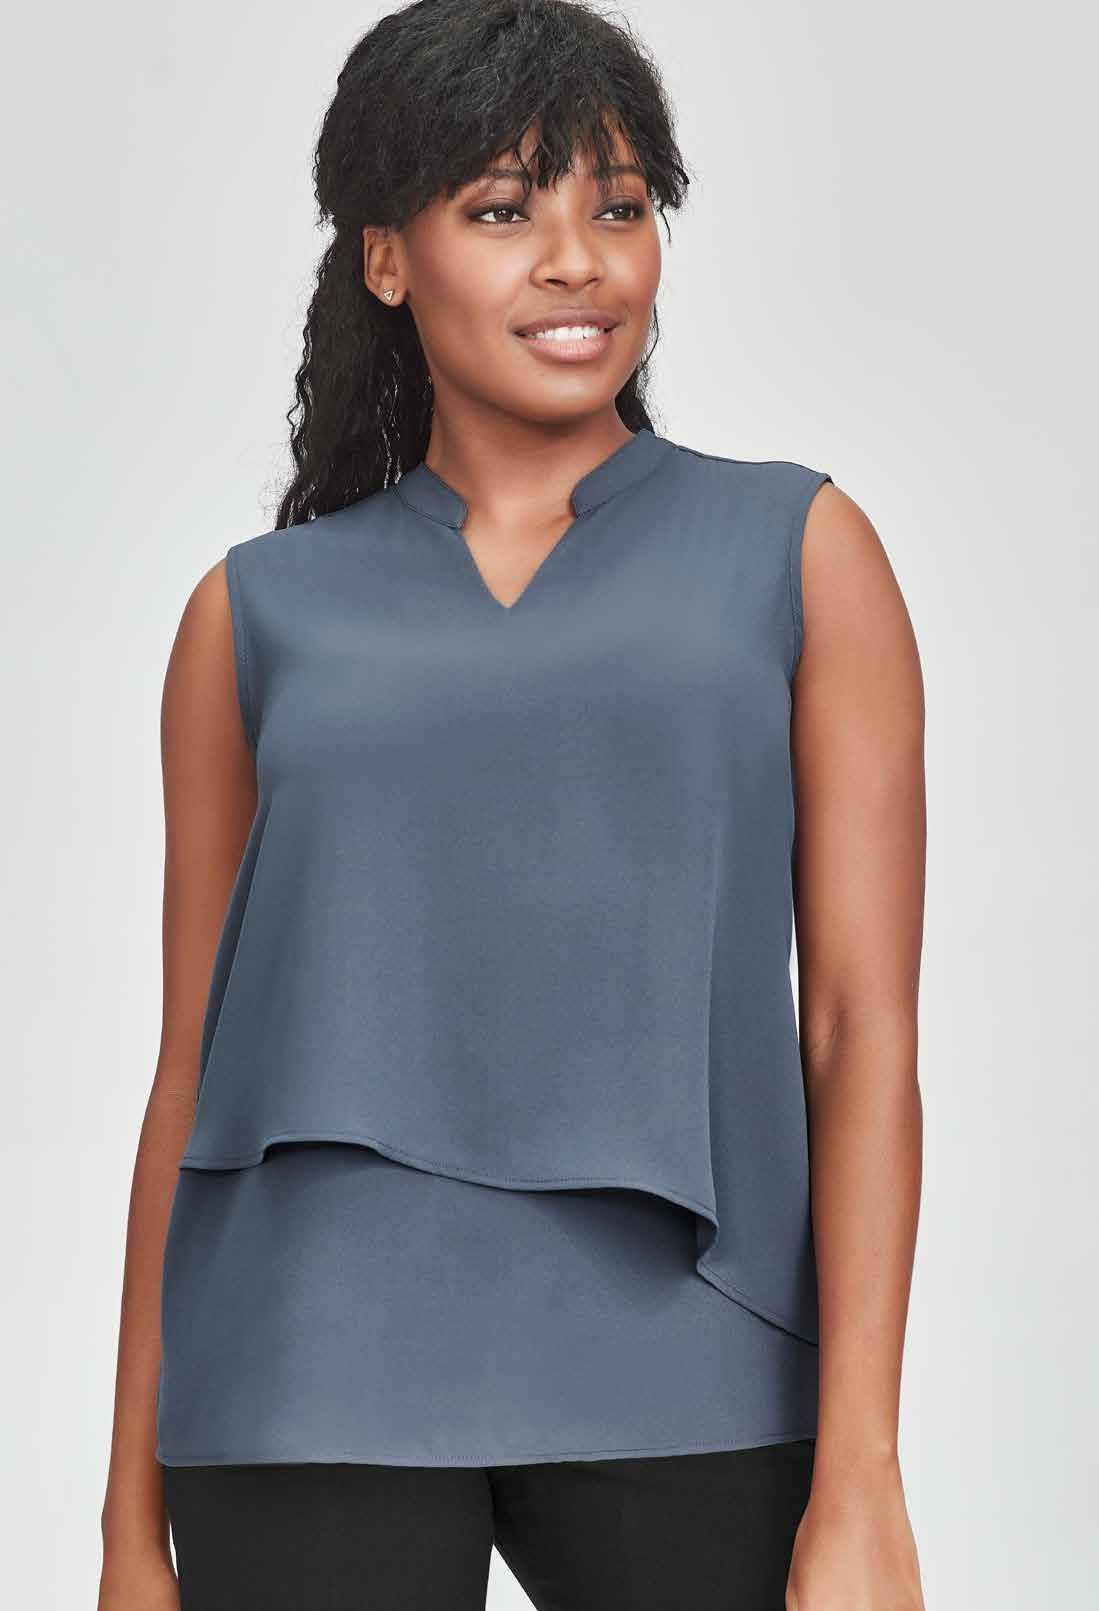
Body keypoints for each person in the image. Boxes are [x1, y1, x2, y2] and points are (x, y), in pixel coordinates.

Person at [97, 2, 927, 1608]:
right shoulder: (253, 614)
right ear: (385, 258)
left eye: (618, 207)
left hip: (700, 1359)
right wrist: (127, 1529)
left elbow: (858, 1032)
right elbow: (188, 1073)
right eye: (502, 210)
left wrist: (865, 1475)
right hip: (301, 1370)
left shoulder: (797, 552)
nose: (577, 263)